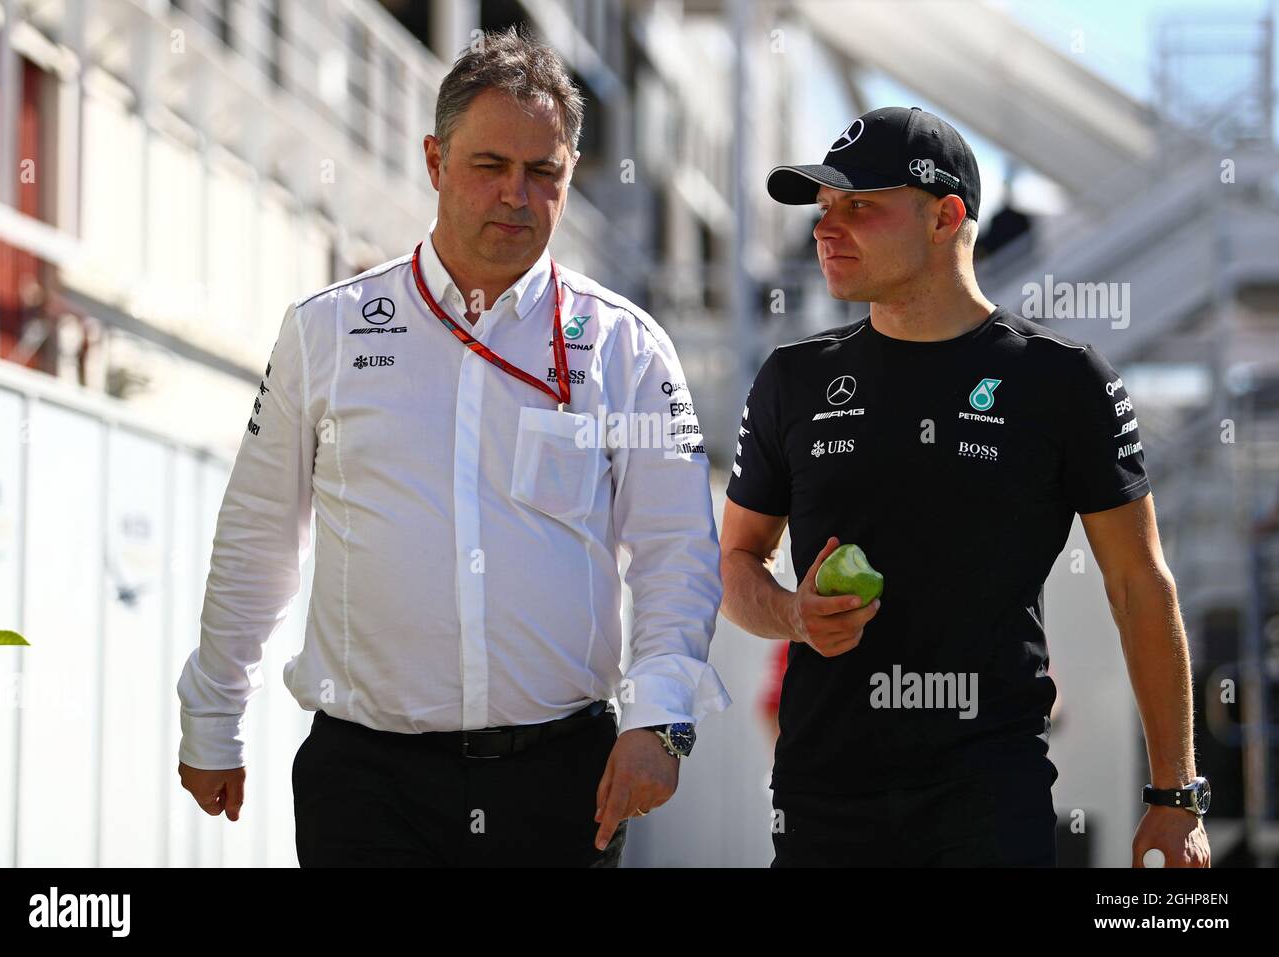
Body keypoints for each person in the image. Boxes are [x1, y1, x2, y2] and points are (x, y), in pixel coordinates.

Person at [175, 26, 729, 867]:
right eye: (489, 165)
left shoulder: (628, 349)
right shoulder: (325, 330)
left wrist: (662, 720)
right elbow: (258, 536)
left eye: (543, 172)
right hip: (367, 787)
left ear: (571, 176)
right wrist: (212, 716)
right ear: (435, 161)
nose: (516, 193)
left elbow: (678, 556)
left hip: (561, 784)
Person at [719, 105, 1211, 867]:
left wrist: (1174, 794)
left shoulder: (1062, 379)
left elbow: (1140, 581)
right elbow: (737, 563)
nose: (825, 228)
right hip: (824, 805)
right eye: (823, 209)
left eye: (859, 206)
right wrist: (793, 614)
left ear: (946, 215)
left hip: (990, 803)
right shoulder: (793, 377)